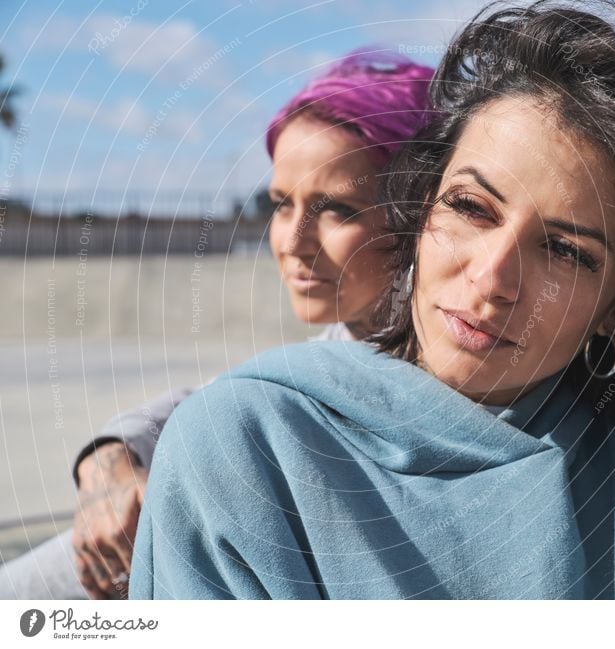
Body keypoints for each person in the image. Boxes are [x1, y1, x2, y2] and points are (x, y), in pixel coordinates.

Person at [130, 0, 615, 599]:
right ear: (422, 212)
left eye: (567, 250)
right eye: (471, 207)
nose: (492, 279)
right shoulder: (250, 451)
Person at [0, 49, 434, 600]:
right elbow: (223, 401)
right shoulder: (334, 351)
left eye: (337, 209)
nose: (292, 242)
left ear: (420, 215)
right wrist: (109, 458)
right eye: (280, 203)